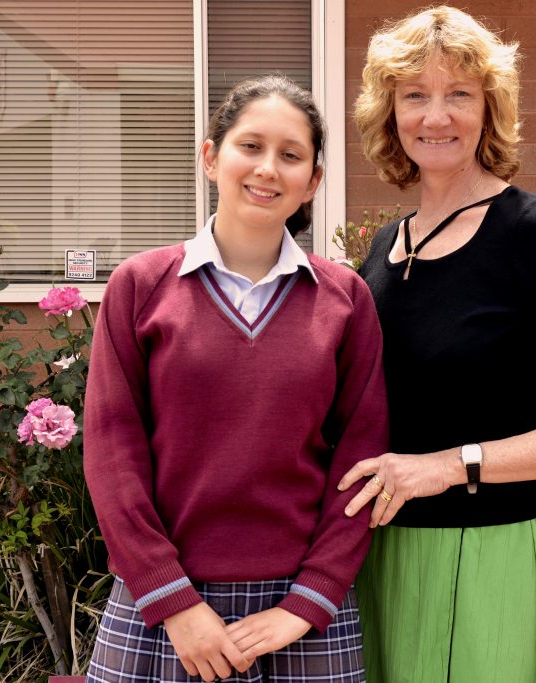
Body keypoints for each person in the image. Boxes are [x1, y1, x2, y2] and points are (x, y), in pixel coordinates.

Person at [338, 7, 536, 682]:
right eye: (415, 95)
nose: (435, 117)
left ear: (489, 108)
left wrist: (446, 466)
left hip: (498, 551)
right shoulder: (388, 245)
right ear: (389, 112)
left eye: (458, 95)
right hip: (391, 553)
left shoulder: (531, 233)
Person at [84, 75, 388, 683]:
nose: (268, 169)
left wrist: (308, 602)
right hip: (161, 606)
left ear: (314, 182)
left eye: (291, 155)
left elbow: (362, 460)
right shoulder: (140, 287)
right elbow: (112, 451)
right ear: (210, 156)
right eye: (250, 146)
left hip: (301, 617)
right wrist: (173, 601)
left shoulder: (345, 300)